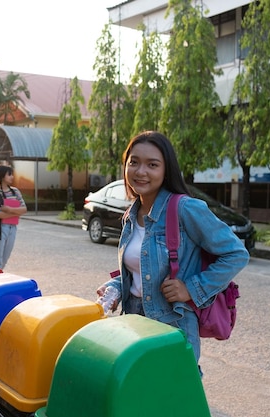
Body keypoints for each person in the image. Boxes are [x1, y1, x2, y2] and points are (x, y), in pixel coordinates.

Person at [96, 131, 249, 368]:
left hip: (171, 324)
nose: (140, 171)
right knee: (136, 394)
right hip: (133, 320)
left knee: (168, 397)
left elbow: (236, 254)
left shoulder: (185, 209)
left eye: (152, 165)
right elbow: (142, 270)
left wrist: (192, 288)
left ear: (166, 170)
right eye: (133, 162)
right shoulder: (132, 214)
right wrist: (117, 287)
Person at [0, 165, 27, 270]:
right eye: (9, 174)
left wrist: (9, 209)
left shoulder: (15, 191)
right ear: (2, 176)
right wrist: (16, 212)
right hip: (0, 228)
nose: (12, 177)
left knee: (4, 260)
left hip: (13, 228)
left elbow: (24, 209)